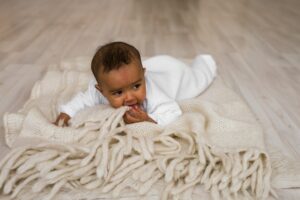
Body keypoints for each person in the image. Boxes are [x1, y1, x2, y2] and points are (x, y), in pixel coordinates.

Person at [54, 41, 217, 126]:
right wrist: (67, 113)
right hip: (148, 70)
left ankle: (206, 60)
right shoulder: (96, 91)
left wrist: (149, 119)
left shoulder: (154, 93)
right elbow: (81, 101)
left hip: (174, 75)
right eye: (118, 93)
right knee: (129, 76)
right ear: (101, 90)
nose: (130, 97)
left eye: (137, 86)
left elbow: (172, 112)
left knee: (199, 79)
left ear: (143, 76)